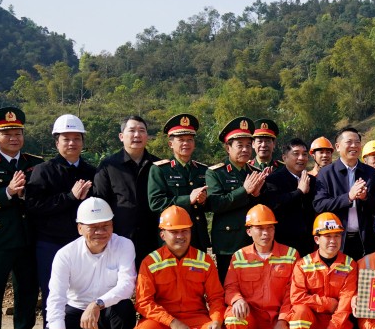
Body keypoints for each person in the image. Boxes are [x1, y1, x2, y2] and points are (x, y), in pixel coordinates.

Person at [132, 206, 234, 329]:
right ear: (162, 234)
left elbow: (216, 297)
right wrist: (172, 322)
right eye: (174, 232)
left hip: (194, 320)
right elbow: (143, 302)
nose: (180, 236)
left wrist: (216, 321)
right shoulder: (150, 262)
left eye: (185, 231)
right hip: (162, 322)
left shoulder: (204, 260)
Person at [26, 114, 96, 329]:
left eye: (77, 138)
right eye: (66, 138)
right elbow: (34, 206)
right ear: (57, 142)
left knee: (85, 290)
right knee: (52, 291)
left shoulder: (91, 171)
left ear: (83, 142)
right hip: (51, 243)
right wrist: (70, 197)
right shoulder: (43, 171)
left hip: (84, 245)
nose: (72, 143)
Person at [45, 198, 136, 329]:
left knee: (125, 309)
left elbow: (127, 285)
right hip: (78, 311)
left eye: (106, 225)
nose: (100, 232)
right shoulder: (65, 255)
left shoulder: (124, 245)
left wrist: (97, 304)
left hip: (108, 309)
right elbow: (56, 297)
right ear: (80, 228)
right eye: (93, 227)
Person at [0, 107, 44, 329]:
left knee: (28, 290)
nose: (14, 137)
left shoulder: (35, 164)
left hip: (28, 238)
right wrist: (7, 192)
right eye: (7, 134)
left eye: (18, 132)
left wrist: (27, 194)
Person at [223, 204, 299, 329]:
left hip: (274, 319)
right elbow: (230, 287)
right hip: (249, 316)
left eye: (270, 228)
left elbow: (292, 293)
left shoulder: (291, 255)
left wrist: (283, 320)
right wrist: (237, 299)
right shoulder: (240, 256)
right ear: (249, 231)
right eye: (260, 228)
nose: (266, 233)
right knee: (233, 316)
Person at [284, 212, 358, 329]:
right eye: (328, 236)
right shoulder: (303, 264)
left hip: (336, 320)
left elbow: (345, 303)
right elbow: (296, 297)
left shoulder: (349, 265)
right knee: (299, 312)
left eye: (337, 236)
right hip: (311, 318)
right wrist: (326, 303)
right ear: (317, 239)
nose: (333, 240)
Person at [207, 117, 269, 280]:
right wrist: (244, 191)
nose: (245, 149)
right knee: (228, 285)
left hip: (253, 240)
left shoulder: (255, 171)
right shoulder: (215, 173)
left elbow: (265, 206)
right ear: (228, 148)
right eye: (240, 145)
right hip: (229, 242)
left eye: (248, 145)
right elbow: (216, 204)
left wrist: (256, 196)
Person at [93, 115, 160, 267]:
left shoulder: (158, 165)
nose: (137, 135)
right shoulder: (108, 166)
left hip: (152, 238)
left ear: (147, 136)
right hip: (118, 239)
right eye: (132, 131)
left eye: (141, 131)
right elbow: (100, 201)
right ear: (121, 136)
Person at [312, 126, 375, 260]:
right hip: (337, 238)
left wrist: (365, 197)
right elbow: (319, 205)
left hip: (365, 238)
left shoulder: (370, 173)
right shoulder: (326, 173)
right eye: (349, 142)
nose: (354, 146)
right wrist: (348, 197)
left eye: (357, 142)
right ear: (338, 146)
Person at [147, 114, 210, 252]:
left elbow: (210, 204)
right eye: (181, 140)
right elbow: (156, 203)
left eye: (190, 140)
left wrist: (203, 201)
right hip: (172, 237)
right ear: (171, 144)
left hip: (197, 235)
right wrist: (188, 199)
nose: (186, 143)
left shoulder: (203, 170)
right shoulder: (160, 170)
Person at [263, 138, 316, 256]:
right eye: (296, 154)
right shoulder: (274, 179)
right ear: (284, 157)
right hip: (284, 243)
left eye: (304, 154)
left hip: (308, 243)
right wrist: (299, 192)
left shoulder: (312, 180)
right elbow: (275, 204)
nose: (301, 158)